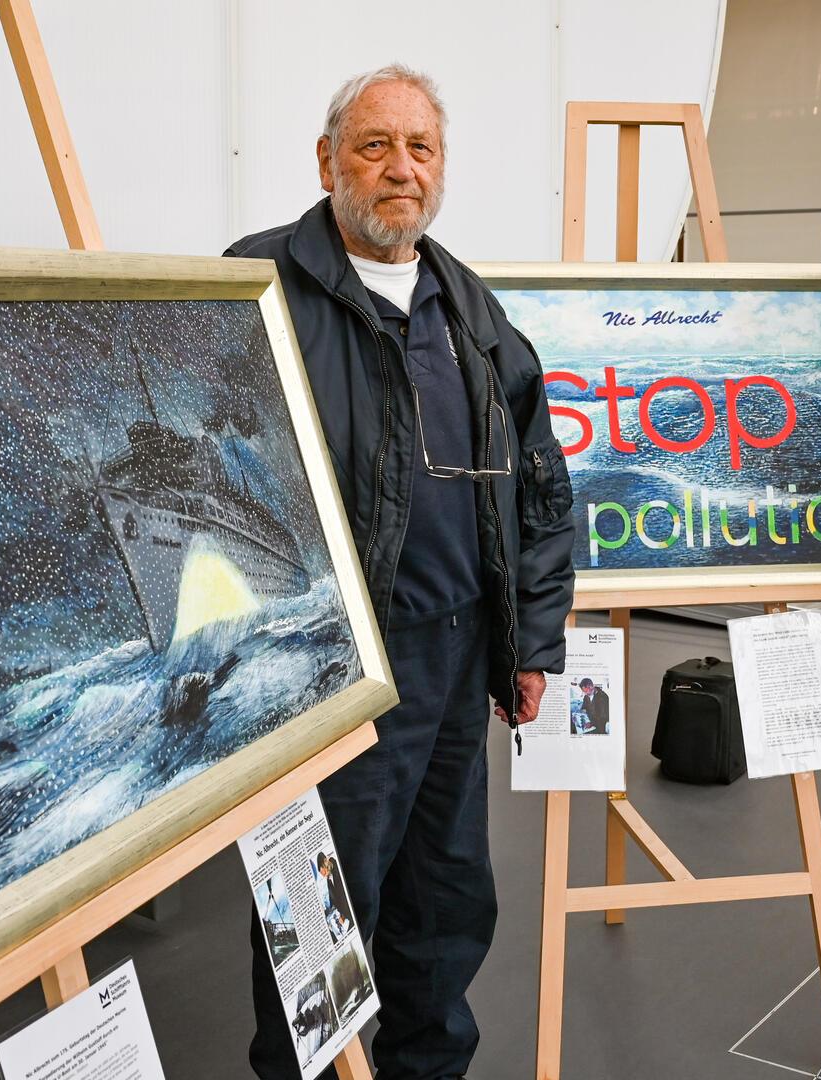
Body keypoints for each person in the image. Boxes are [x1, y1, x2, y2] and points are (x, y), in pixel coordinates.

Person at [226, 63, 576, 1080]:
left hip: (458, 663)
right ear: (329, 160)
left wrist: (530, 641)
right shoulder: (259, 285)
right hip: (331, 672)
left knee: (446, 904)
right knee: (323, 921)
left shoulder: (471, 308)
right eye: (374, 145)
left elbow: (541, 487)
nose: (399, 168)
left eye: (420, 148)